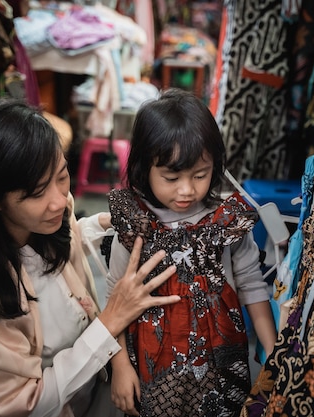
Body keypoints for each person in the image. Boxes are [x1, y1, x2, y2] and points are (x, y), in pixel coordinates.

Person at [0, 99, 180, 417]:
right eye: (36, 192)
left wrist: (102, 223)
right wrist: (110, 321)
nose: (60, 201)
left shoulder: (44, 217)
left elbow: (68, 233)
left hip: (86, 394)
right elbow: (21, 406)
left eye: (62, 176)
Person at [106, 88, 278, 417]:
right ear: (145, 168)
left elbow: (253, 286)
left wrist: (273, 355)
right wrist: (119, 368)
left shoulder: (226, 223)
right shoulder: (136, 226)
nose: (187, 189)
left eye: (200, 175)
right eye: (171, 177)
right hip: (152, 370)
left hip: (221, 365)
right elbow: (115, 304)